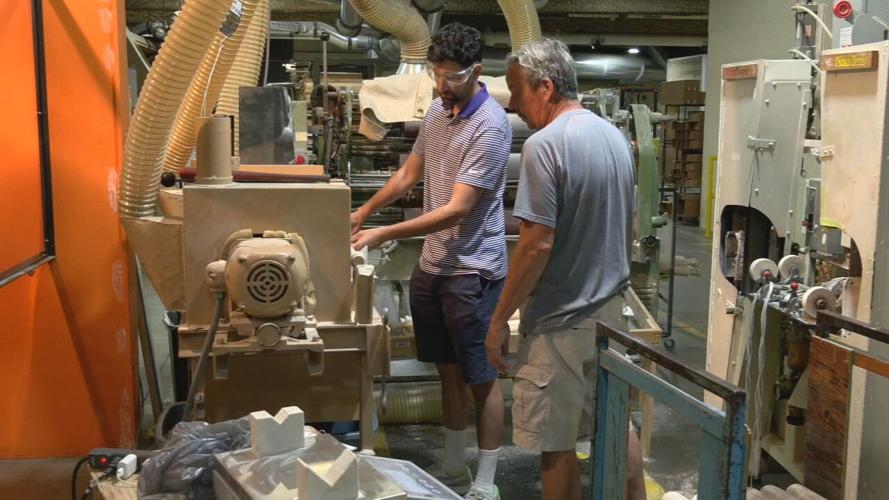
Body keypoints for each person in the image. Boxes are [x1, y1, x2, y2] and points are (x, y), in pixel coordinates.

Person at [350, 23, 511, 500]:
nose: (441, 85)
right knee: (446, 369)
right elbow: (408, 174)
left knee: (481, 377)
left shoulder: (491, 126)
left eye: (452, 76)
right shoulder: (440, 114)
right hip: (434, 267)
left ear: (476, 71)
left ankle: (486, 481)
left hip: (472, 270)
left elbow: (458, 209)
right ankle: (452, 464)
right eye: (435, 74)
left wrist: (382, 233)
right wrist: (363, 210)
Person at [484, 39, 646, 500]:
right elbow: (628, 221)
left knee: (555, 445)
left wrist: (498, 321)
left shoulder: (545, 145)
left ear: (546, 87)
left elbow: (536, 245)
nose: (514, 104)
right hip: (610, 315)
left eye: (517, 91)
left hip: (561, 323)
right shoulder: (613, 135)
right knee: (614, 424)